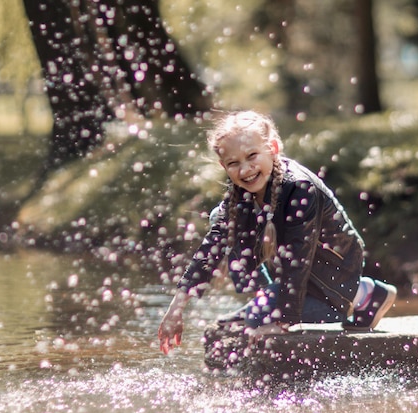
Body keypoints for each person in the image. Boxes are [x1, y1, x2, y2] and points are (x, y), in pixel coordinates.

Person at [158, 110, 396, 355]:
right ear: (224, 165)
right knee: (221, 216)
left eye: (252, 156)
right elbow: (212, 246)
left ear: (272, 148)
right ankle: (268, 298)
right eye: (233, 163)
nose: (245, 169)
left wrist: (282, 322)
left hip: (332, 275)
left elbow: (297, 259)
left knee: (247, 325)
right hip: (298, 276)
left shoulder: (300, 189)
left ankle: (358, 294)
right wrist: (176, 307)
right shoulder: (242, 190)